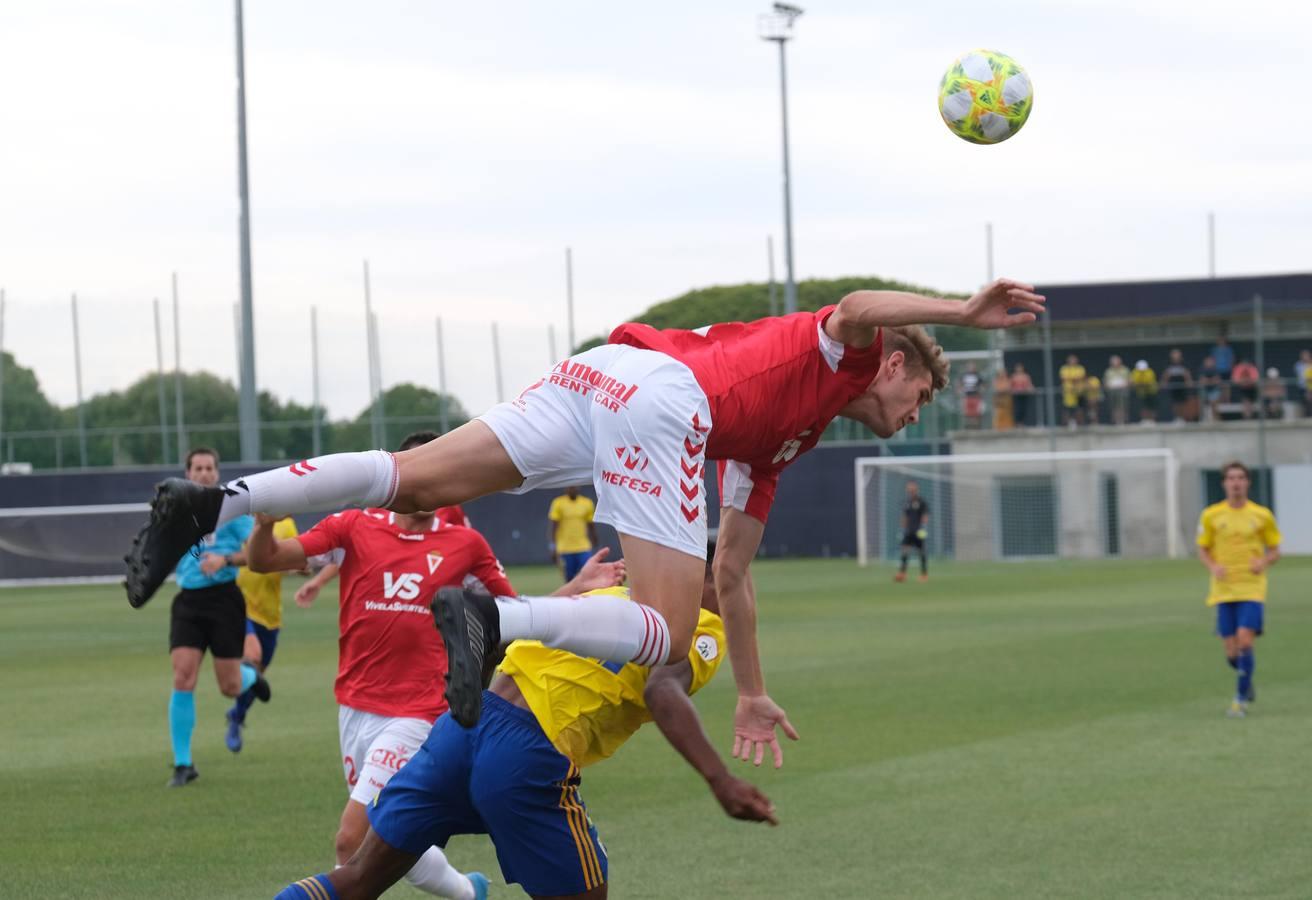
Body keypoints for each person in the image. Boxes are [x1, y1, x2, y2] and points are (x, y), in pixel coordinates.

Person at [125, 278, 1044, 757]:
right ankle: (498, 620)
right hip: (660, 399)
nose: (918, 408)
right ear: (894, 366)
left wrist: (756, 688)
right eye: (923, 390)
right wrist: (959, 310)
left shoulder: (782, 444)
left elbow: (734, 571)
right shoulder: (854, 353)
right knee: (668, 638)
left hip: (598, 373)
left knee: (415, 482)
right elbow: (853, 308)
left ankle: (215, 502)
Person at [273, 539, 778, 900]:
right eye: (736, 579)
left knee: (359, 878)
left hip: (461, 730)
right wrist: (720, 780)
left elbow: (498, 640)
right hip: (525, 751)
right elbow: (663, 689)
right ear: (703, 579)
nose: (742, 594)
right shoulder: (700, 625)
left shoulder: (610, 598)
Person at [245, 430, 625, 898]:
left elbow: (513, 615)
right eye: (418, 471)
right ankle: (470, 891)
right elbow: (264, 561)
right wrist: (264, 526)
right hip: (355, 706)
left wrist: (575, 588)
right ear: (398, 476)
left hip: (419, 712)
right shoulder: (352, 527)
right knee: (391, 840)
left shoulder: (465, 544)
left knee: (352, 840)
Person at [160, 447, 269, 787]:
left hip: (224, 601)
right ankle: (183, 764)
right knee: (183, 678)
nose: (204, 473)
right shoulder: (176, 510)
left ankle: (249, 678)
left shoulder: (232, 509)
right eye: (198, 468)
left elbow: (255, 552)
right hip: (188, 603)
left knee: (229, 687)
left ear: (217, 472)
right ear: (188, 473)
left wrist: (224, 560)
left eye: (209, 468)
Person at [1195, 461, 1281, 718]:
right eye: (1231, 478)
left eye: (1241, 478)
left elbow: (1275, 550)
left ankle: (1239, 700)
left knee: (1245, 640)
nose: (1236, 483)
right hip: (1223, 590)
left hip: (1252, 588)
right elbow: (1203, 548)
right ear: (1224, 483)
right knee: (1231, 652)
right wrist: (1213, 566)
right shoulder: (1211, 515)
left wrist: (1263, 561)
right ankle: (1246, 674)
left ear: (1248, 482)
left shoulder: (1261, 515)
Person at [225, 514, 299, 753]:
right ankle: (236, 717)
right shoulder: (247, 524)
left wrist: (303, 568)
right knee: (252, 656)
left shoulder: (288, 525)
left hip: (270, 614)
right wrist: (226, 560)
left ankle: (236, 715)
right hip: (241, 605)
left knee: (257, 678)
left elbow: (298, 560)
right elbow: (244, 556)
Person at [548, 486, 598, 582]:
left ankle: (586, 596)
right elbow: (553, 527)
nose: (573, 489)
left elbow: (591, 525)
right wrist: (552, 547)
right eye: (570, 487)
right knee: (569, 579)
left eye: (575, 486)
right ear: (565, 488)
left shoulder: (587, 503)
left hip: (583, 547)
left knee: (588, 575)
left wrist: (596, 543)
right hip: (565, 548)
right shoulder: (558, 503)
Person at [894, 481, 930, 583]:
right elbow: (905, 517)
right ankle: (902, 573)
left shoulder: (922, 502)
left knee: (921, 552)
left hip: (918, 531)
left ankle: (924, 574)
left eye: (912, 489)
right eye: (909, 489)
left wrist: (923, 528)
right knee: (904, 551)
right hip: (908, 531)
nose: (910, 491)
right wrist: (902, 529)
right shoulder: (907, 502)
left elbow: (925, 516)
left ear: (916, 489)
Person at [1161, 348, 1194, 423]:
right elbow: (1166, 375)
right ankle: (1177, 418)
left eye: (1177, 356)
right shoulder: (1169, 365)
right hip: (1174, 386)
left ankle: (1182, 417)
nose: (1176, 357)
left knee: (1182, 403)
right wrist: (1164, 382)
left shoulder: (1183, 365)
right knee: (1175, 403)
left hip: (1181, 386)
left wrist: (1189, 381)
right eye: (1174, 356)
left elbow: (1187, 374)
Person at [1058, 354, 1086, 427]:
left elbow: (1081, 377)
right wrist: (1074, 379)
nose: (1073, 361)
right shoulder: (1064, 368)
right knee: (1066, 409)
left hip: (1079, 392)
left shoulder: (1080, 368)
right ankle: (1066, 425)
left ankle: (1080, 424)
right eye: (1071, 360)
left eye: (1074, 360)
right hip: (1068, 392)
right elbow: (1063, 378)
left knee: (1079, 409)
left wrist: (1070, 379)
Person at [1103, 355, 1131, 425]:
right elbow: (1105, 382)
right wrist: (1108, 386)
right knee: (1114, 407)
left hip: (1122, 391)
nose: (1115, 363)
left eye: (1116, 361)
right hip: (1112, 391)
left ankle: (1123, 421)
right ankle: (1116, 421)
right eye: (1113, 361)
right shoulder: (1108, 371)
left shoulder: (1125, 369)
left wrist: (1125, 384)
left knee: (1122, 406)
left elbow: (1130, 380)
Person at [959, 361, 983, 429]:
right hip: (967, 396)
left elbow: (982, 385)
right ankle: (968, 426)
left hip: (975, 395)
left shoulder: (978, 375)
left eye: (972, 366)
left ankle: (977, 426)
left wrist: (980, 389)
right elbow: (960, 384)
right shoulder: (964, 376)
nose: (971, 368)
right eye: (970, 366)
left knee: (976, 412)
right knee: (967, 412)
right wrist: (960, 390)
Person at [1197, 355, 1222, 421]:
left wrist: (1208, 381)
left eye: (1210, 361)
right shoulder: (1202, 369)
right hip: (1205, 390)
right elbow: (1202, 381)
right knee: (1201, 401)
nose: (1209, 363)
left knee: (1214, 404)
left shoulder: (1216, 370)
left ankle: (1216, 419)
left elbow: (1217, 380)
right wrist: (1211, 381)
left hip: (1214, 389)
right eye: (1207, 361)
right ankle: (1202, 419)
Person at [1009, 362, 1035, 427]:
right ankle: (1017, 423)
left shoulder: (1026, 376)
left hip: (1024, 394)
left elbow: (1029, 385)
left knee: (1023, 408)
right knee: (1017, 408)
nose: (1019, 369)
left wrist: (1031, 389)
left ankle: (1022, 423)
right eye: (1018, 368)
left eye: (1020, 367)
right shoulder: (1013, 376)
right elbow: (1010, 386)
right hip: (1016, 395)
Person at [991, 366, 1013, 430]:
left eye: (1003, 373)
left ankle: (1008, 426)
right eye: (1001, 373)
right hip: (999, 399)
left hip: (1006, 399)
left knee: (1007, 414)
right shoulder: (996, 381)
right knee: (998, 413)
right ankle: (997, 427)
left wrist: (1003, 390)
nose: (1002, 374)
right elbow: (996, 388)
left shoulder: (1007, 380)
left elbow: (1008, 388)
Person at [1296, 349, 1312, 417]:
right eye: (1304, 356)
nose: (1305, 357)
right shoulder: (1298, 365)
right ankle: (1307, 416)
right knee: (1306, 401)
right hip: (1303, 388)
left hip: (1310, 387)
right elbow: (1304, 378)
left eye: (1307, 355)